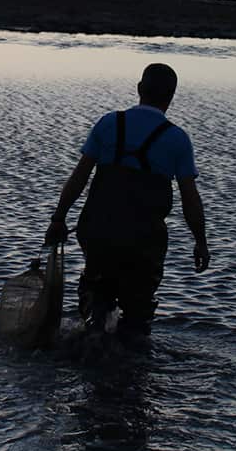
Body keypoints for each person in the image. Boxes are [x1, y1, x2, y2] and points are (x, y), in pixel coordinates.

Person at [46, 62, 209, 336]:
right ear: (171, 97)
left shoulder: (109, 123)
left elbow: (79, 178)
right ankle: (129, 363)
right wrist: (200, 242)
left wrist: (58, 219)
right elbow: (190, 200)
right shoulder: (177, 139)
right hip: (143, 242)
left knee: (95, 303)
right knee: (136, 318)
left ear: (139, 89)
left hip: (98, 233)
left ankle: (89, 348)